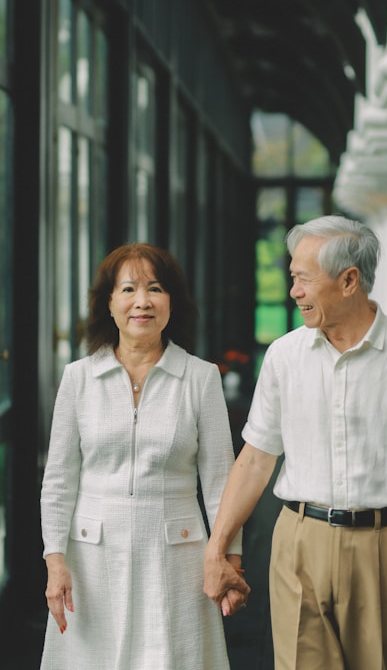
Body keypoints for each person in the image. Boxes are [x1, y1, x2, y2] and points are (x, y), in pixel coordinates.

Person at [203, 215, 387, 670]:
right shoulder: (284, 356)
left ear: (349, 281)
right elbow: (257, 458)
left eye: (303, 279)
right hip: (300, 541)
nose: (294, 291)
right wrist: (217, 549)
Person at [40, 242, 245, 670]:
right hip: (91, 559)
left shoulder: (200, 378)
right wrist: (55, 561)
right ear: (109, 304)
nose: (142, 301)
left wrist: (229, 562)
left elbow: (222, 483)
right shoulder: (78, 379)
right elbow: (59, 479)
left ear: (172, 302)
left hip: (178, 557)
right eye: (128, 289)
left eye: (155, 288)